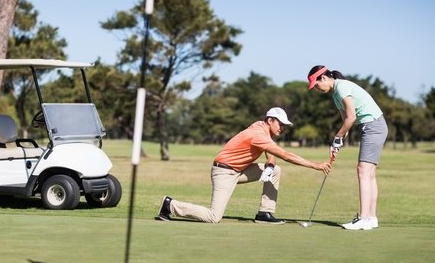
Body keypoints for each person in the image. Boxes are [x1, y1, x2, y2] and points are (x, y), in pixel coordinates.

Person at [156, 107, 332, 224]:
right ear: (270, 120)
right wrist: (315, 165)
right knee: (213, 217)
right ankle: (170, 205)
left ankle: (265, 213)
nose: (283, 128)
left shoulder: (261, 127)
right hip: (223, 172)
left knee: (276, 169)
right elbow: (285, 155)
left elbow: (271, 153)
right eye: (280, 124)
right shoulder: (258, 133)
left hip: (239, 171)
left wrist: (270, 166)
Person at [307, 65, 388, 230]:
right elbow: (346, 121)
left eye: (316, 85)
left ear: (323, 78)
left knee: (363, 171)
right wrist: (337, 142)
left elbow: (351, 117)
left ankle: (364, 218)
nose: (316, 89)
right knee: (369, 173)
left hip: (373, 125)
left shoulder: (342, 86)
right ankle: (371, 218)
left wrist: (337, 136)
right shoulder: (336, 95)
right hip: (372, 126)